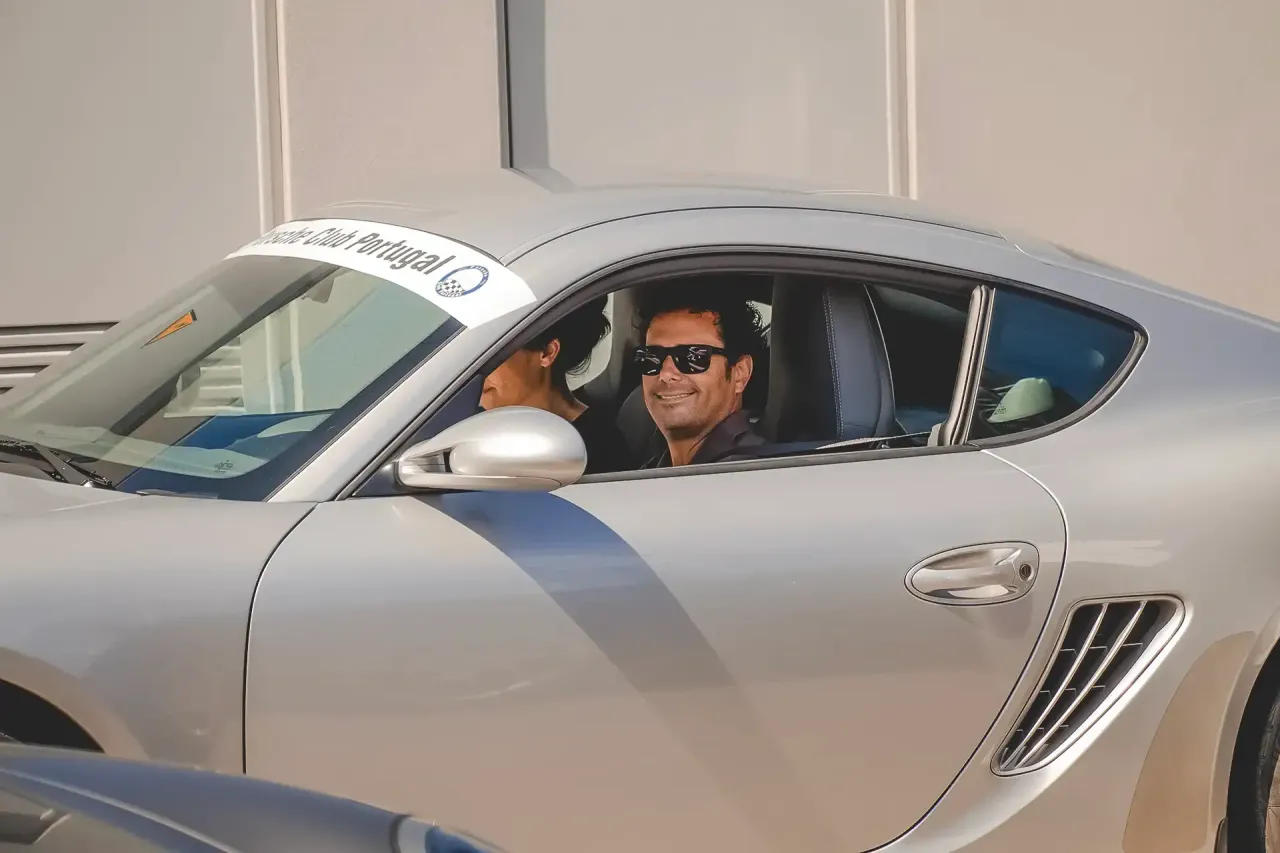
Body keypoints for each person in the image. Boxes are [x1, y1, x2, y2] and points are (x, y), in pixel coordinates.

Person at [480, 296, 631, 474]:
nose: (478, 369)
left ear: (547, 353)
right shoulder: (477, 422)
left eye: (493, 354)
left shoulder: (599, 452)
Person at [634, 286, 768, 467]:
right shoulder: (653, 470)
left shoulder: (749, 473)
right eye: (651, 357)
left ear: (740, 373)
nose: (666, 374)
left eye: (694, 357)